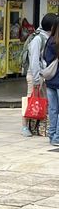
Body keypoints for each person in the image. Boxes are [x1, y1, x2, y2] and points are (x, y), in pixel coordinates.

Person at [22, 13, 55, 137]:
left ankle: (38, 126)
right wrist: (36, 79)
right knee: (30, 100)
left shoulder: (48, 37)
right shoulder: (38, 39)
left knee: (43, 101)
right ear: (51, 27)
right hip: (35, 75)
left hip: (45, 75)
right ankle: (25, 126)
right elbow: (34, 60)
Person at [43, 16, 59, 146]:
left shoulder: (49, 40)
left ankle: (52, 135)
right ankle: (57, 137)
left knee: (53, 109)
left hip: (50, 80)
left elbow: (45, 58)